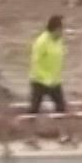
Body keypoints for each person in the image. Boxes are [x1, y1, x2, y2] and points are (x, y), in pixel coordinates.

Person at [26, 14, 73, 147]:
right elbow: (35, 62)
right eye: (61, 29)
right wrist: (45, 78)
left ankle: (63, 136)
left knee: (61, 107)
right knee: (34, 108)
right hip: (39, 81)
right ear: (55, 28)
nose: (62, 32)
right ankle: (31, 138)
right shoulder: (41, 42)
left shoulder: (58, 41)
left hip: (55, 81)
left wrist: (55, 77)